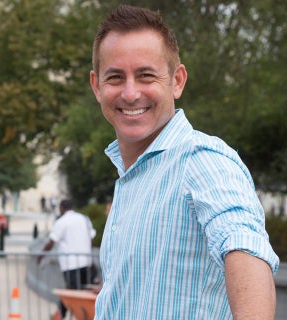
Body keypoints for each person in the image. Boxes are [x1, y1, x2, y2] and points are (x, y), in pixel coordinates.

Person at [89, 5, 279, 319]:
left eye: (146, 75)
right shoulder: (134, 179)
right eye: (116, 78)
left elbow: (243, 246)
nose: (131, 93)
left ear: (177, 80)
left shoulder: (202, 161)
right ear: (97, 86)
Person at [38, 199, 96, 320]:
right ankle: (61, 314)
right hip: (86, 261)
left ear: (61, 208)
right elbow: (91, 238)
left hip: (71, 264)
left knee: (72, 292)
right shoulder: (84, 218)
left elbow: (52, 241)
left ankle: (60, 315)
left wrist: (41, 255)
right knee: (82, 292)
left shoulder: (62, 222)